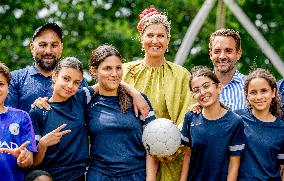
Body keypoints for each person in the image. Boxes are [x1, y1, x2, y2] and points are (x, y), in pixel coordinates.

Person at [123, 7, 192, 181]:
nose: (155, 40)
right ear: (141, 39)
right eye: (150, 35)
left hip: (170, 156)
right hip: (130, 156)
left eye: (161, 36)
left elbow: (188, 113)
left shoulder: (182, 75)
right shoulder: (124, 72)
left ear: (168, 40)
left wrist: (172, 144)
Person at [86, 45, 157, 181]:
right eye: (107, 68)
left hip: (136, 175)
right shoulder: (87, 102)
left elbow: (152, 143)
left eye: (118, 68)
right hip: (100, 176)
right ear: (94, 70)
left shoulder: (139, 100)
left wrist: (151, 178)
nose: (114, 73)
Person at [29, 57, 91, 181]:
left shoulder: (80, 98)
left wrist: (136, 94)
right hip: (51, 176)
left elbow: (106, 82)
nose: (70, 86)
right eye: (66, 79)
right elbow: (34, 162)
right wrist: (43, 144)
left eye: (76, 82)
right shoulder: (38, 111)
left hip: (80, 176)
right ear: (54, 76)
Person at [180, 66, 245, 181]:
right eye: (196, 90)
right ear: (193, 96)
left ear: (219, 87)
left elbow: (234, 164)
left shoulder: (235, 122)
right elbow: (187, 156)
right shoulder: (190, 117)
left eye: (206, 86)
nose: (202, 92)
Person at [5, 22, 87, 113]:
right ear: (32, 47)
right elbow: (8, 119)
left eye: (54, 45)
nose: (48, 51)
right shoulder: (14, 79)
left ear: (61, 48)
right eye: (42, 45)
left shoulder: (77, 80)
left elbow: (84, 115)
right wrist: (34, 112)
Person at [235, 68, 284, 180]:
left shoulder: (281, 128)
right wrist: (198, 108)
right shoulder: (236, 119)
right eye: (253, 92)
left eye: (264, 91)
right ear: (246, 95)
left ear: (273, 92)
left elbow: (282, 169)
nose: (259, 97)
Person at [0, 62, 37, 181]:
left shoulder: (22, 117)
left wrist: (23, 159)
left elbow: (29, 160)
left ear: (7, 88)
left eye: (0, 84)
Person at [209, 28, 246, 110]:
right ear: (211, 54)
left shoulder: (250, 86)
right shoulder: (199, 88)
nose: (222, 56)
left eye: (228, 51)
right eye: (217, 51)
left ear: (238, 54)